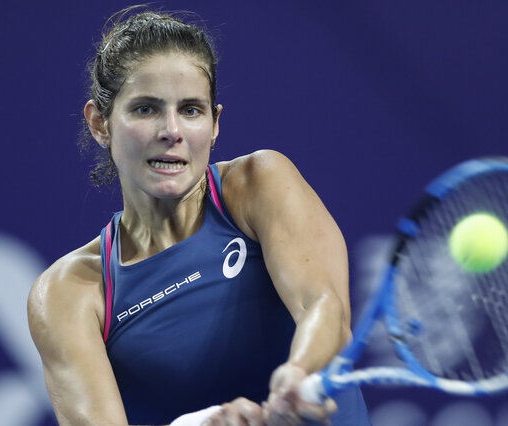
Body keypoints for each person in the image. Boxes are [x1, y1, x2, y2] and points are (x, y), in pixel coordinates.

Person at [27, 6, 370, 426]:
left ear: (214, 124)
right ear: (100, 124)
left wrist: (296, 374)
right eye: (146, 109)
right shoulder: (69, 293)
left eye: (191, 110)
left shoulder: (260, 183)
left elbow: (324, 306)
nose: (172, 131)